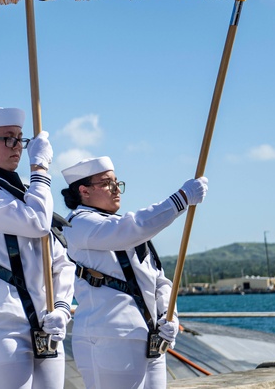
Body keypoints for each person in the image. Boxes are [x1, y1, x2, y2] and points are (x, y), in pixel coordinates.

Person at [0, 107, 75, 389]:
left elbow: (60, 260)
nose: (18, 146)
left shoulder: (27, 194)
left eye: (20, 138)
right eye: (8, 138)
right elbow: (37, 223)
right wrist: (40, 170)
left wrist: (63, 306)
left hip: (43, 325)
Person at [61, 157, 208, 389]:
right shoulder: (79, 225)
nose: (116, 189)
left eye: (117, 183)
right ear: (84, 191)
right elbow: (130, 229)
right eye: (107, 183)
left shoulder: (121, 226)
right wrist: (179, 200)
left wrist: (169, 316)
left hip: (149, 340)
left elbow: (159, 280)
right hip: (109, 339)